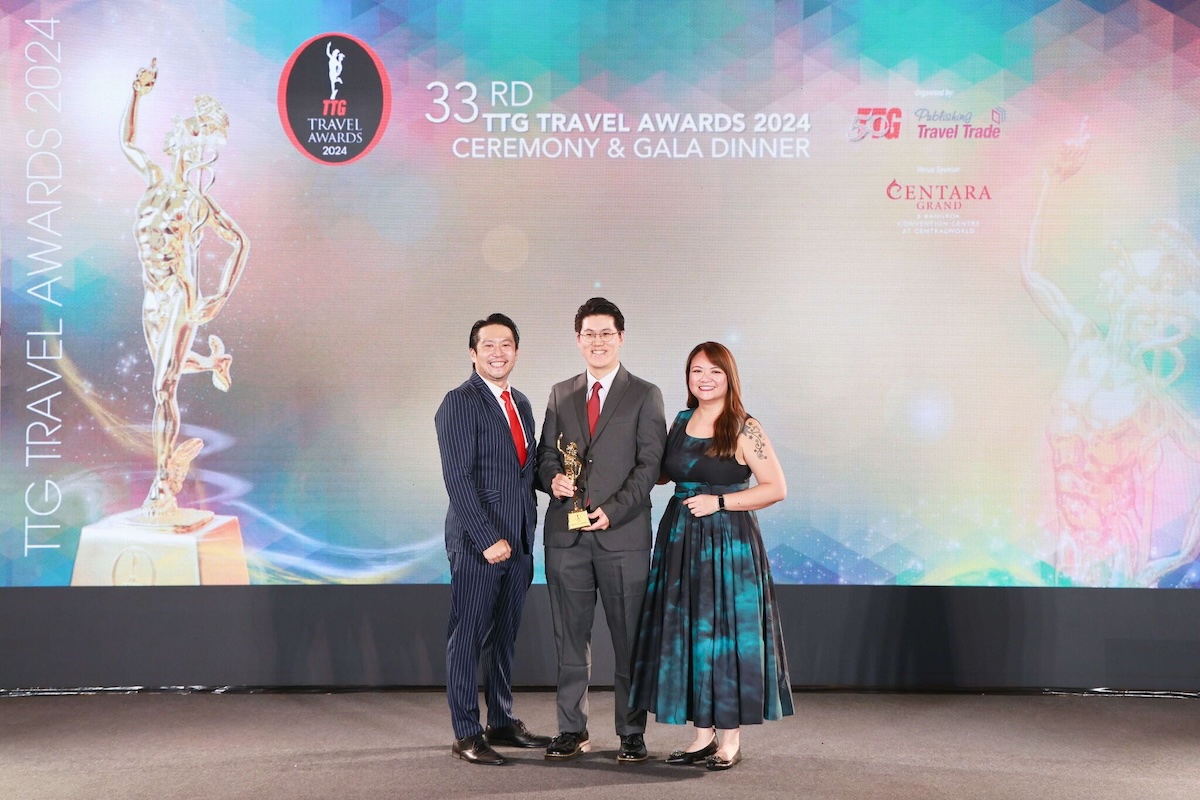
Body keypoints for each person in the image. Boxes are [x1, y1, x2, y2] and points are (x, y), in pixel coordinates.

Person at [630, 342, 793, 771]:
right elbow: (663, 472)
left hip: (728, 544)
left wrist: (719, 504)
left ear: (729, 377)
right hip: (680, 542)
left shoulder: (744, 426)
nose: (704, 378)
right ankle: (702, 738)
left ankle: (729, 741)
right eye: (696, 371)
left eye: (714, 372)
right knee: (689, 636)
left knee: (725, 637)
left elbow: (775, 488)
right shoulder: (681, 421)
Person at [537, 298, 667, 763]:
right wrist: (551, 477)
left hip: (623, 537)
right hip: (566, 538)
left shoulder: (644, 394)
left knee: (629, 638)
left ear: (621, 337)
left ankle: (631, 731)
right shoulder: (560, 393)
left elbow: (649, 465)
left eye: (606, 333)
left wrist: (613, 510)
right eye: (589, 334)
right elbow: (545, 456)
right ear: (578, 340)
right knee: (569, 639)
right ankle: (572, 729)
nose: (597, 341)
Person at [120, 59, 249, 523]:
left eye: (203, 140)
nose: (196, 147)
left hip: (177, 291)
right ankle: (214, 361)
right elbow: (127, 141)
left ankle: (160, 484)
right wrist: (137, 93)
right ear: (177, 139)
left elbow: (238, 241)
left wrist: (219, 295)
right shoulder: (155, 182)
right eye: (192, 136)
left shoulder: (197, 201)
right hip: (152, 295)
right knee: (166, 369)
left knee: (162, 385)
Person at [435, 314, 552, 766]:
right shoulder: (459, 402)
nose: (498, 352)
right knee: (467, 636)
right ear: (473, 353)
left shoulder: (520, 402)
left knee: (503, 637)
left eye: (506, 344)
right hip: (477, 544)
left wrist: (560, 480)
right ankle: (466, 732)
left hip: (520, 541)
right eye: (488, 345)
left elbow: (525, 471)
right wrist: (486, 538)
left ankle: (500, 720)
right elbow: (458, 479)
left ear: (516, 352)